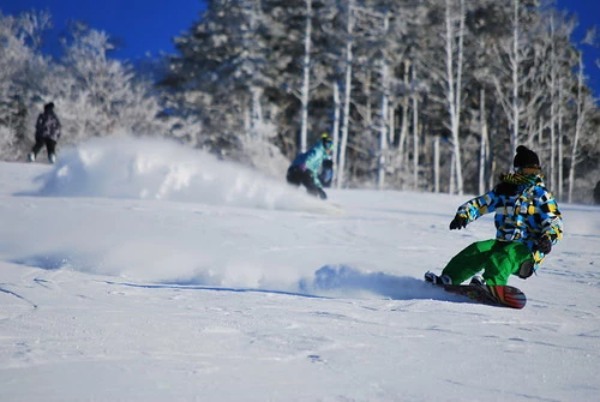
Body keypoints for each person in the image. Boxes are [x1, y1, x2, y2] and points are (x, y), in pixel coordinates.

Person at [425, 145, 563, 286]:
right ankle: (449, 278)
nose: (533, 175)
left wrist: (548, 237)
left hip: (527, 251)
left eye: (536, 171)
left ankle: (492, 284)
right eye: (528, 171)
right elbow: (482, 203)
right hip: (502, 243)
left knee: (503, 256)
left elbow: (554, 221)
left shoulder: (541, 195)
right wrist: (464, 214)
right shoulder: (505, 191)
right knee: (478, 249)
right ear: (518, 171)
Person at [287, 133, 334, 200]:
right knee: (312, 190)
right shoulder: (318, 151)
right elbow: (311, 158)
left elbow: (313, 174)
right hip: (301, 170)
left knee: (292, 189)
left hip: (294, 170)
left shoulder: (317, 156)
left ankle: (288, 201)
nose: (330, 151)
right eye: (330, 149)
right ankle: (310, 203)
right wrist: (304, 165)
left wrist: (319, 188)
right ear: (327, 146)